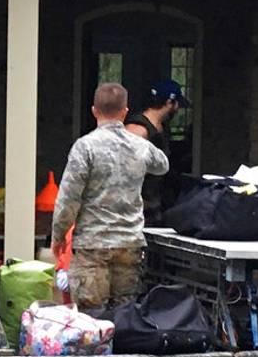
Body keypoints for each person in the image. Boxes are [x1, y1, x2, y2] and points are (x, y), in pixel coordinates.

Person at [51, 82, 169, 311]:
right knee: (124, 313)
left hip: (93, 245)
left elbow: (68, 198)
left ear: (94, 111)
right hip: (130, 245)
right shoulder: (139, 146)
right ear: (125, 112)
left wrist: (58, 235)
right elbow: (162, 165)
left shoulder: (84, 148)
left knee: (91, 315)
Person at [126, 80, 189, 222]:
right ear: (169, 102)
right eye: (177, 103)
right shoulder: (138, 129)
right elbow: (124, 165)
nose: (178, 108)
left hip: (156, 204)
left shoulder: (160, 128)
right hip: (139, 209)